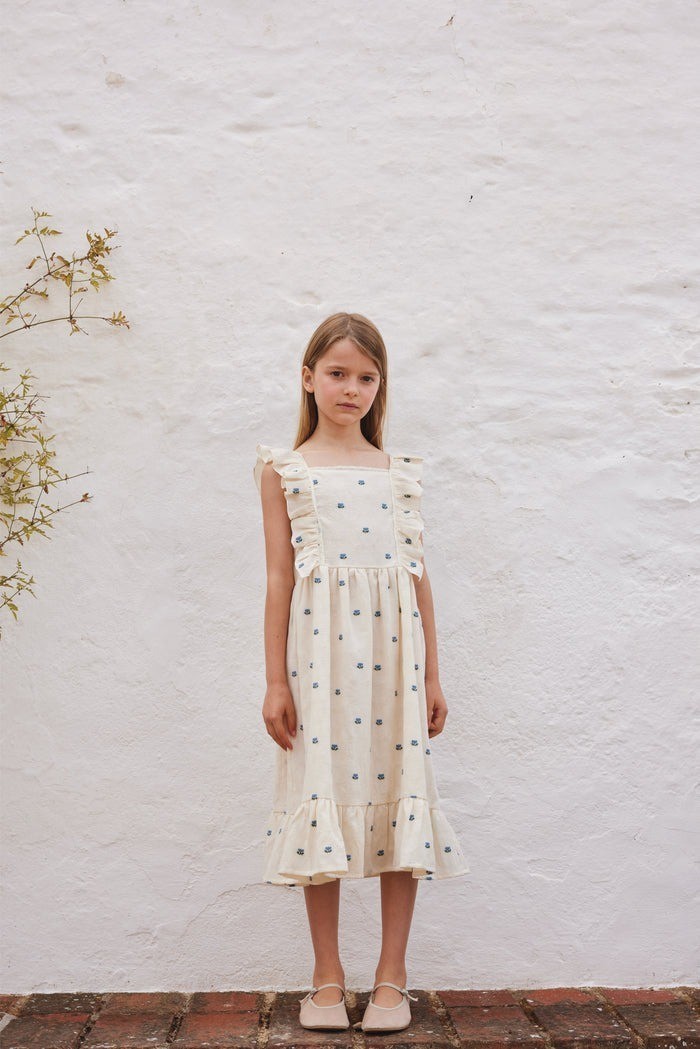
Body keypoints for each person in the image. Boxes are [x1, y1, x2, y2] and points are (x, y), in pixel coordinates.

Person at [253, 312, 470, 1033]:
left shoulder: (397, 473)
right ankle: (326, 976)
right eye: (337, 373)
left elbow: (417, 577)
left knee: (401, 794)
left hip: (395, 662)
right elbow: (279, 579)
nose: (351, 388)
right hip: (319, 662)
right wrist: (276, 681)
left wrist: (433, 675)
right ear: (308, 378)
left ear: (381, 386)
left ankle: (391, 977)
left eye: (366, 377)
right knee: (322, 794)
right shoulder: (285, 470)